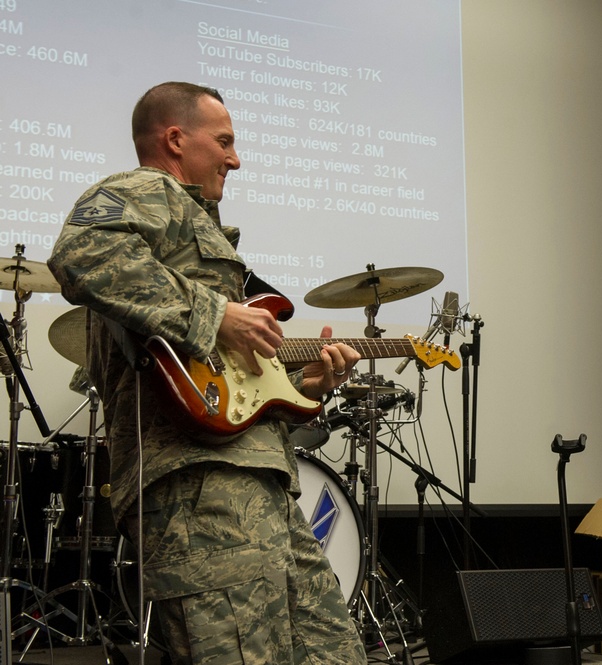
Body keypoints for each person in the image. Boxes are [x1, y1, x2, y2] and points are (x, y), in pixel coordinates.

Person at [47, 82, 367, 664]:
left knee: (334, 652)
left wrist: (305, 387)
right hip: (198, 494)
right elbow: (81, 254)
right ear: (175, 138)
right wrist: (216, 314)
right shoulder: (143, 190)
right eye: (224, 141)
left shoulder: (201, 230)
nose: (235, 158)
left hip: (255, 489)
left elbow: (226, 379)